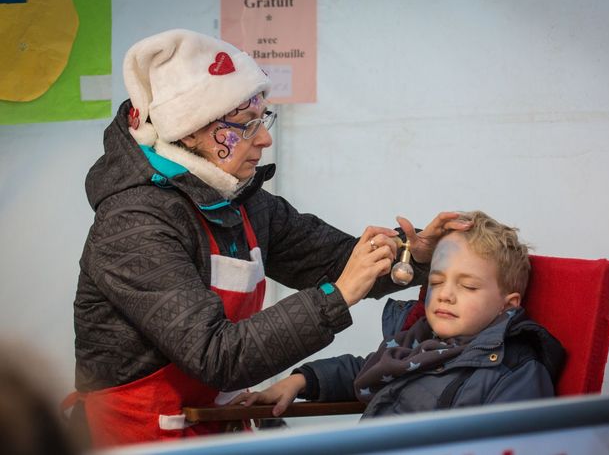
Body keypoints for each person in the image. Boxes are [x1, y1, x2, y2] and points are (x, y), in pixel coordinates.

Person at [68, 28, 471, 447]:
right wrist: (337, 296)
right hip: (134, 438)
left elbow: (336, 260)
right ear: (189, 132)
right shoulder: (132, 224)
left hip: (213, 428)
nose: (265, 138)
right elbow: (216, 354)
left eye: (263, 120)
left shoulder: (242, 202)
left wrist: (414, 253)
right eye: (245, 126)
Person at [232, 211, 566, 417]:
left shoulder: (514, 372)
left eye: (468, 287)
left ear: (509, 304)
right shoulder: (422, 340)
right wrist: (302, 379)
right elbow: (368, 369)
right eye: (436, 281)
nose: (445, 294)